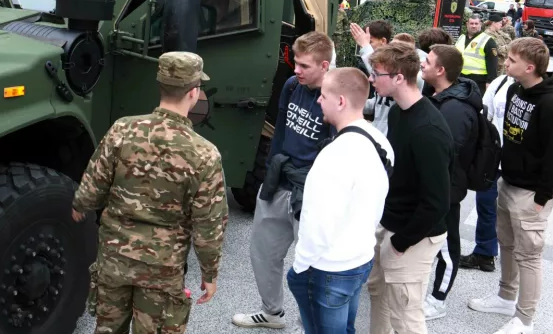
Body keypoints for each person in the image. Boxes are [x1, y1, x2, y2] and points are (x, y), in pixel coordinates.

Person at [72, 52, 229, 333]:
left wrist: (80, 205)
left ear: (160, 85)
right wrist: (209, 273)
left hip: (114, 259)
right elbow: (209, 225)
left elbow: (93, 186)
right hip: (162, 268)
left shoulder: (122, 129)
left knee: (107, 328)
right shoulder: (204, 153)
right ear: (194, 93)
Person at [233, 32, 337, 329]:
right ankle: (272, 313)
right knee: (262, 252)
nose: (296, 70)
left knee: (313, 266)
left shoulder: (334, 97)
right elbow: (279, 133)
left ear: (325, 65)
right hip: (280, 179)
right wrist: (269, 176)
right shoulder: (293, 86)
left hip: (313, 191)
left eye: (304, 65)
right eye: (296, 63)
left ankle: (316, 326)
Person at [468, 38, 553, 334]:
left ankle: (525, 319)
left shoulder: (550, 105)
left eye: (511, 60)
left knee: (529, 256)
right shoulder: (514, 89)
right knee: (508, 245)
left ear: (530, 66)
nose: (505, 64)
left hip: (531, 193)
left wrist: (544, 196)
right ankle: (505, 296)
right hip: (508, 182)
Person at [287, 68, 394, 334]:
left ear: (341, 101)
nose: (319, 100)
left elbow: (318, 221)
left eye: (324, 95)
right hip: (360, 257)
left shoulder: (335, 154)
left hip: (328, 268)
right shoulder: (380, 141)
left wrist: (300, 268)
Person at [366, 41, 453, 334]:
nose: (371, 79)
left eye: (376, 73)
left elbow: (438, 201)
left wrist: (402, 242)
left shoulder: (428, 130)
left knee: (406, 315)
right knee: (379, 295)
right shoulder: (396, 113)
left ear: (399, 78)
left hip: (414, 236)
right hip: (390, 223)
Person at [419, 44, 483, 321]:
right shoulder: (436, 95)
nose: (422, 64)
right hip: (430, 186)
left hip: (444, 189)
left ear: (441, 71)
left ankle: (438, 299)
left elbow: (445, 154)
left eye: (428, 61)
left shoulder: (456, 110)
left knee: (446, 244)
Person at [460, 70, 516, 274]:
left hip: (518, 165)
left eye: (511, 59)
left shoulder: (536, 92)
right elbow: (486, 116)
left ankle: (516, 257)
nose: (506, 63)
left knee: (514, 214)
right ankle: (484, 253)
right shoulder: (500, 83)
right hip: (494, 160)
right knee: (486, 207)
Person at [456, 14, 498, 91]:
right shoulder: (461, 38)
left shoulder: (488, 40)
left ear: (480, 24)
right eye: (471, 23)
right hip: (460, 77)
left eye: (476, 23)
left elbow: (492, 63)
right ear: (467, 24)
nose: (474, 26)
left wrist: (490, 82)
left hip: (478, 80)